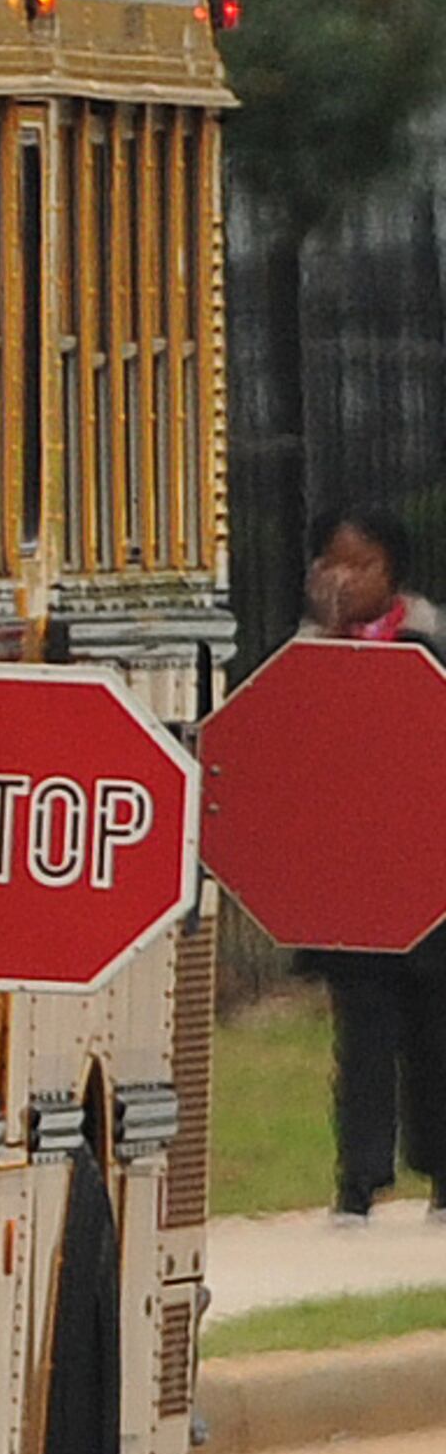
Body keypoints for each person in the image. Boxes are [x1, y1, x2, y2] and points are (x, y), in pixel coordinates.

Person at [299, 506, 446, 1217]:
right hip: (353, 889)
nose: (345, 579)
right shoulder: (305, 658)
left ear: (393, 571)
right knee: (361, 1038)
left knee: (434, 1034)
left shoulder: (429, 646)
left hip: (430, 885)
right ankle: (358, 1178)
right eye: (333, 563)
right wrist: (327, 635)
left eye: (362, 565)